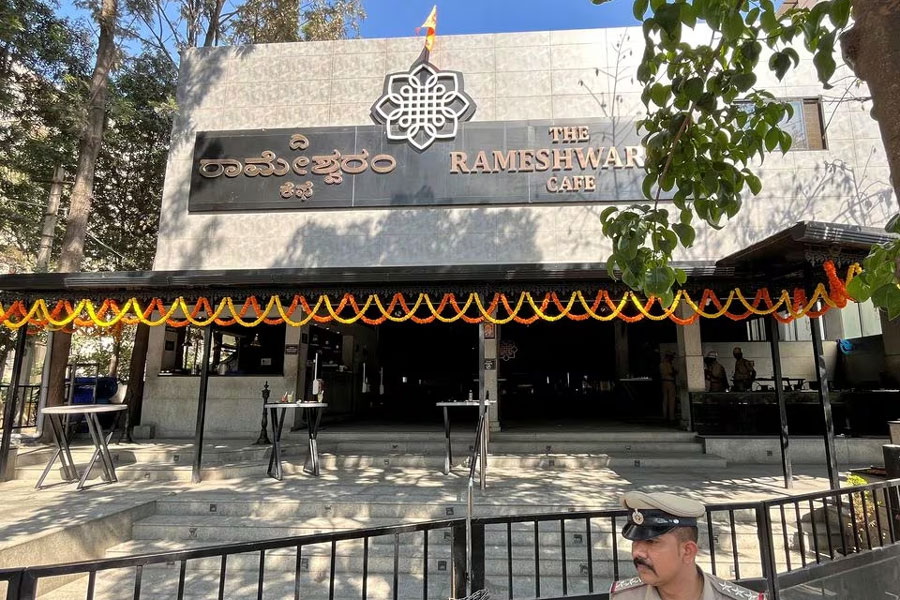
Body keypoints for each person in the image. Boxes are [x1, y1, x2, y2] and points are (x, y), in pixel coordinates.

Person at [610, 491, 766, 599]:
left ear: (688, 551)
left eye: (651, 542)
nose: (638, 552)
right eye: (635, 541)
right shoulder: (623, 596)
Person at [659, 351, 678, 422]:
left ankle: (664, 416)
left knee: (665, 400)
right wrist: (675, 372)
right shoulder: (667, 364)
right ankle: (671, 417)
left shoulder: (661, 364)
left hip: (664, 382)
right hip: (670, 382)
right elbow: (671, 373)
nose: (672, 359)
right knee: (671, 400)